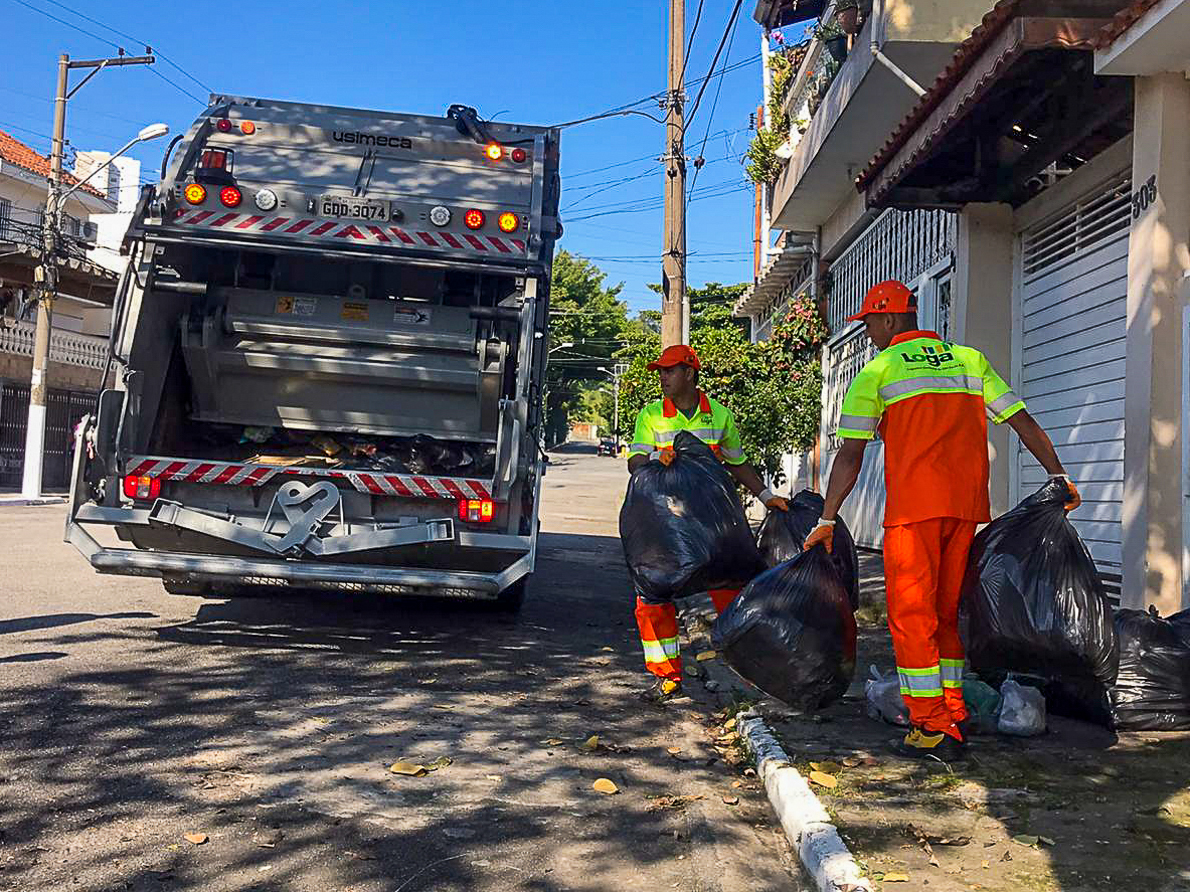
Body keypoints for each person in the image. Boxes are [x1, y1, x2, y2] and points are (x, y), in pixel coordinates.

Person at [803, 280, 1080, 760]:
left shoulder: (879, 371)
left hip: (913, 511)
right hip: (965, 509)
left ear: (889, 319)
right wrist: (1058, 475)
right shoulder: (970, 361)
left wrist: (827, 518)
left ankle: (931, 726)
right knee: (945, 614)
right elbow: (1021, 420)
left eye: (869, 323)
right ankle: (952, 708)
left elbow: (850, 456)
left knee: (912, 618)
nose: (867, 334)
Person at [626, 344, 789, 703]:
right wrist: (655, 456)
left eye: (669, 371)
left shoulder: (719, 415)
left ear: (689, 372)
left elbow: (738, 463)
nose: (663, 378)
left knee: (737, 597)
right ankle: (667, 677)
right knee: (652, 599)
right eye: (661, 372)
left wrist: (766, 496)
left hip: (713, 529)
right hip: (667, 529)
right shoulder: (652, 416)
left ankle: (754, 678)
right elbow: (635, 462)